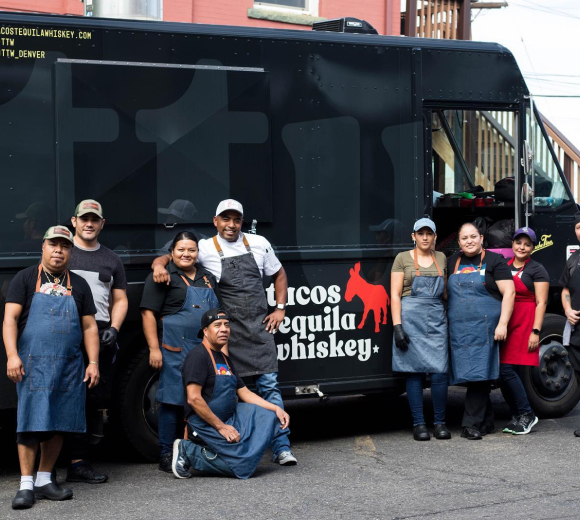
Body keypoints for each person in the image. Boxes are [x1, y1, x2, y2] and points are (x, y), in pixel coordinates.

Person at [152, 199, 296, 465]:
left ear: (242, 221)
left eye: (236, 219)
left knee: (269, 387)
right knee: (225, 392)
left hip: (258, 328)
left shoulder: (259, 243)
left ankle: (281, 447)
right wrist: (159, 266)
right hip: (225, 333)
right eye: (225, 219)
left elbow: (279, 274)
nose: (231, 225)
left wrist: (280, 309)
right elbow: (168, 254)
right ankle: (230, 443)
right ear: (215, 221)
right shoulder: (204, 247)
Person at [3, 226, 100, 510]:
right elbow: (10, 319)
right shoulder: (24, 278)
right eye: (53, 245)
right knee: (31, 422)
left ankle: (45, 479)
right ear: (43, 247)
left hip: (70, 365)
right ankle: (25, 484)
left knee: (59, 421)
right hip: (32, 363)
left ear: (70, 251)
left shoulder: (79, 284)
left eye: (64, 246)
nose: (59, 250)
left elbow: (89, 326)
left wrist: (93, 362)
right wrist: (12, 355)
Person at [172, 309, 291, 480]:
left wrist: (276, 409)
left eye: (226, 325)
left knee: (269, 416)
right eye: (217, 325)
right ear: (205, 331)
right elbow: (193, 398)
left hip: (229, 418)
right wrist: (221, 427)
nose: (224, 329)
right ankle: (189, 451)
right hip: (206, 424)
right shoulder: (198, 356)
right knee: (243, 467)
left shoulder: (224, 359)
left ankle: (240, 453)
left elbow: (244, 392)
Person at [140, 231, 219, 472]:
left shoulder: (208, 278)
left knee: (204, 399)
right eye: (181, 250)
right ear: (172, 253)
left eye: (191, 250)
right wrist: (154, 348)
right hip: (175, 349)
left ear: (197, 253)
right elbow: (147, 313)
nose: (186, 254)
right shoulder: (163, 276)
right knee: (172, 400)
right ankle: (165, 452)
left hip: (204, 350)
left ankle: (198, 449)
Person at [65, 199, 128, 484]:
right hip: (66, 332)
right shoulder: (63, 253)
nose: (89, 223)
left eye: (95, 219)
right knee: (66, 396)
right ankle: (65, 461)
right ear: (74, 221)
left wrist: (114, 328)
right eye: (84, 218)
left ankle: (79, 462)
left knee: (92, 398)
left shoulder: (111, 259)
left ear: (102, 224)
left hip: (100, 334)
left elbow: (120, 299)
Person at [447, 222, 515, 440]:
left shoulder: (495, 261)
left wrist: (503, 323)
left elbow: (510, 292)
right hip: (460, 328)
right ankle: (486, 421)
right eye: (464, 238)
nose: (469, 241)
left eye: (473, 236)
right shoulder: (452, 262)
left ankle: (470, 424)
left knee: (478, 373)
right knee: (476, 374)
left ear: (482, 238)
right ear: (458, 242)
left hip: (486, 328)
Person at [391, 217, 450, 441]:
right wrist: (398, 326)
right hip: (410, 318)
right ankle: (419, 424)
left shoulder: (441, 258)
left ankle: (440, 423)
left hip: (435, 318)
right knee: (414, 372)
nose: (425, 237)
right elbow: (395, 295)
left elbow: (444, 293)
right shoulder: (402, 259)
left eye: (429, 233)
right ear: (413, 236)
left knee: (439, 372)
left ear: (435, 237)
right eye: (420, 233)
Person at [499, 227, 548, 435]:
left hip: (525, 322)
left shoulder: (537, 270)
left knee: (507, 370)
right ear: (512, 244)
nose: (522, 247)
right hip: (507, 321)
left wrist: (535, 331)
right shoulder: (504, 265)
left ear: (532, 248)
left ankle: (527, 413)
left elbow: (541, 302)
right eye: (519, 242)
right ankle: (518, 414)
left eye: (527, 244)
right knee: (507, 373)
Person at [559, 212, 580, 437]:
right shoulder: (574, 259)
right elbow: (565, 288)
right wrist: (567, 310)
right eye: (577, 228)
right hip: (577, 330)